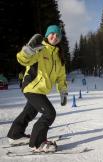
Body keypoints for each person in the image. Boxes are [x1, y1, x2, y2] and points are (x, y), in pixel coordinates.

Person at [7, 25, 68, 153]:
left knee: (29, 112)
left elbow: (61, 77)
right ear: (47, 35)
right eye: (52, 34)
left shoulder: (59, 56)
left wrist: (63, 91)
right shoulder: (40, 49)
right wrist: (28, 51)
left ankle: (15, 135)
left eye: (58, 35)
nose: (55, 37)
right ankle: (37, 143)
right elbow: (22, 60)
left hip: (40, 90)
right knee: (49, 113)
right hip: (31, 86)